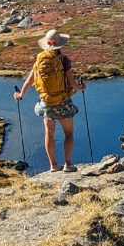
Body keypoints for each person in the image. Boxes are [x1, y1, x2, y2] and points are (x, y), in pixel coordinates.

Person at [15, 29, 86, 173]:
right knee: (69, 133)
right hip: (63, 102)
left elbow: (30, 80)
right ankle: (68, 164)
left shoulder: (39, 59)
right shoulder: (64, 60)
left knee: (49, 133)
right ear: (60, 44)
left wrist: (20, 94)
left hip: (46, 103)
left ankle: (53, 164)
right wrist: (81, 87)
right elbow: (72, 83)